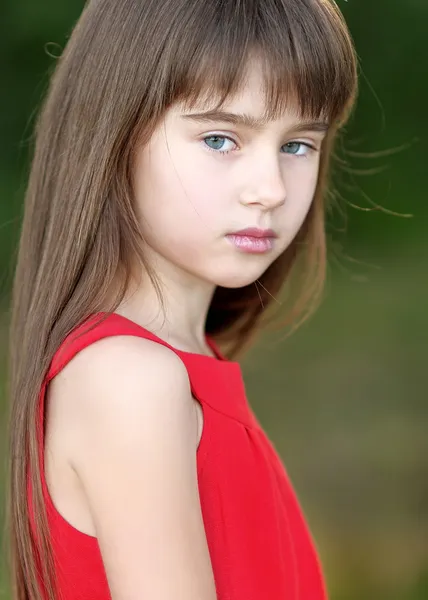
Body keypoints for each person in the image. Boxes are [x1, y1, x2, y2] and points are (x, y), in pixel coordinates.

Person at [6, 0, 358, 598]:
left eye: (298, 145)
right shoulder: (128, 379)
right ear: (115, 135)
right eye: (221, 138)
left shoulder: (181, 366)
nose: (269, 189)